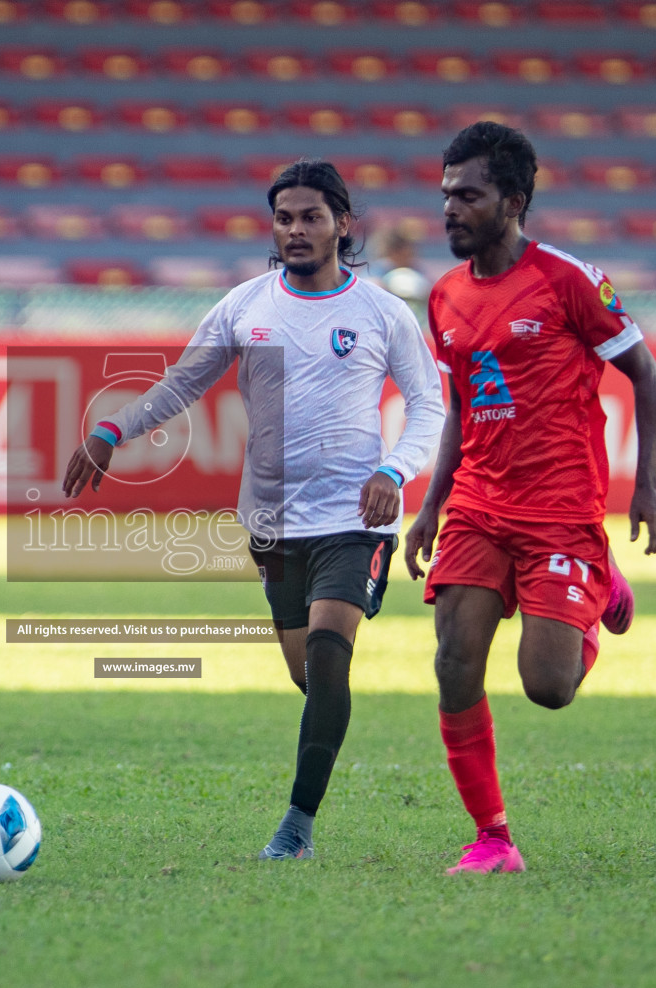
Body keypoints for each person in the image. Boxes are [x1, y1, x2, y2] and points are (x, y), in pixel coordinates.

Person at [63, 160, 444, 860]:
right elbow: (183, 382)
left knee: (329, 659)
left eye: (311, 217)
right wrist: (111, 429)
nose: (295, 230)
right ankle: (321, 734)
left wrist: (395, 469)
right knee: (307, 676)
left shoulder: (382, 313)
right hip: (271, 524)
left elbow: (430, 405)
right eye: (285, 218)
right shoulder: (245, 306)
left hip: (355, 518)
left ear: (343, 224)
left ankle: (295, 827)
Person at [403, 122, 656, 875]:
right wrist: (432, 505)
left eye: (468, 195)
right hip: (478, 506)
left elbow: (644, 374)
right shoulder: (446, 296)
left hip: (559, 505)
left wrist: (646, 482)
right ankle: (492, 838)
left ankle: (597, 587)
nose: (450, 210)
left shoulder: (569, 280)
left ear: (514, 201)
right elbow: (463, 402)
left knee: (548, 688)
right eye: (446, 195)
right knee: (454, 661)